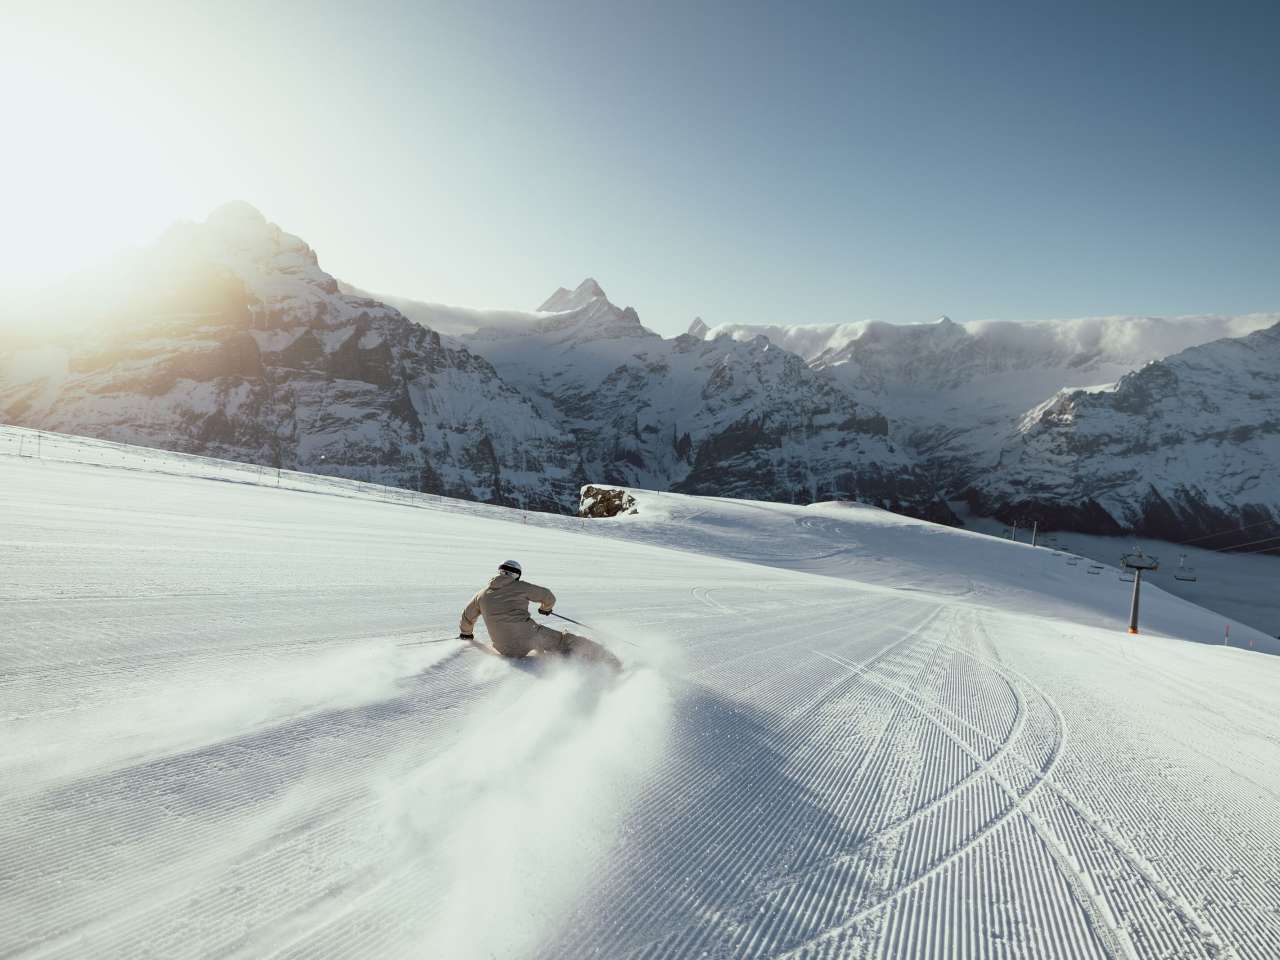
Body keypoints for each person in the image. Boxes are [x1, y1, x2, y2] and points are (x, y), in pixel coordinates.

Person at [458, 560, 621, 669]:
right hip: (528, 637)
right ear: (516, 575)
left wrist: (466, 633)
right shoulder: (521, 586)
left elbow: (467, 615)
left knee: (542, 640)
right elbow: (548, 595)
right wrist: (545, 608)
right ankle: (610, 660)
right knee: (566, 640)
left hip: (503, 648)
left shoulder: (481, 594)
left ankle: (557, 651)